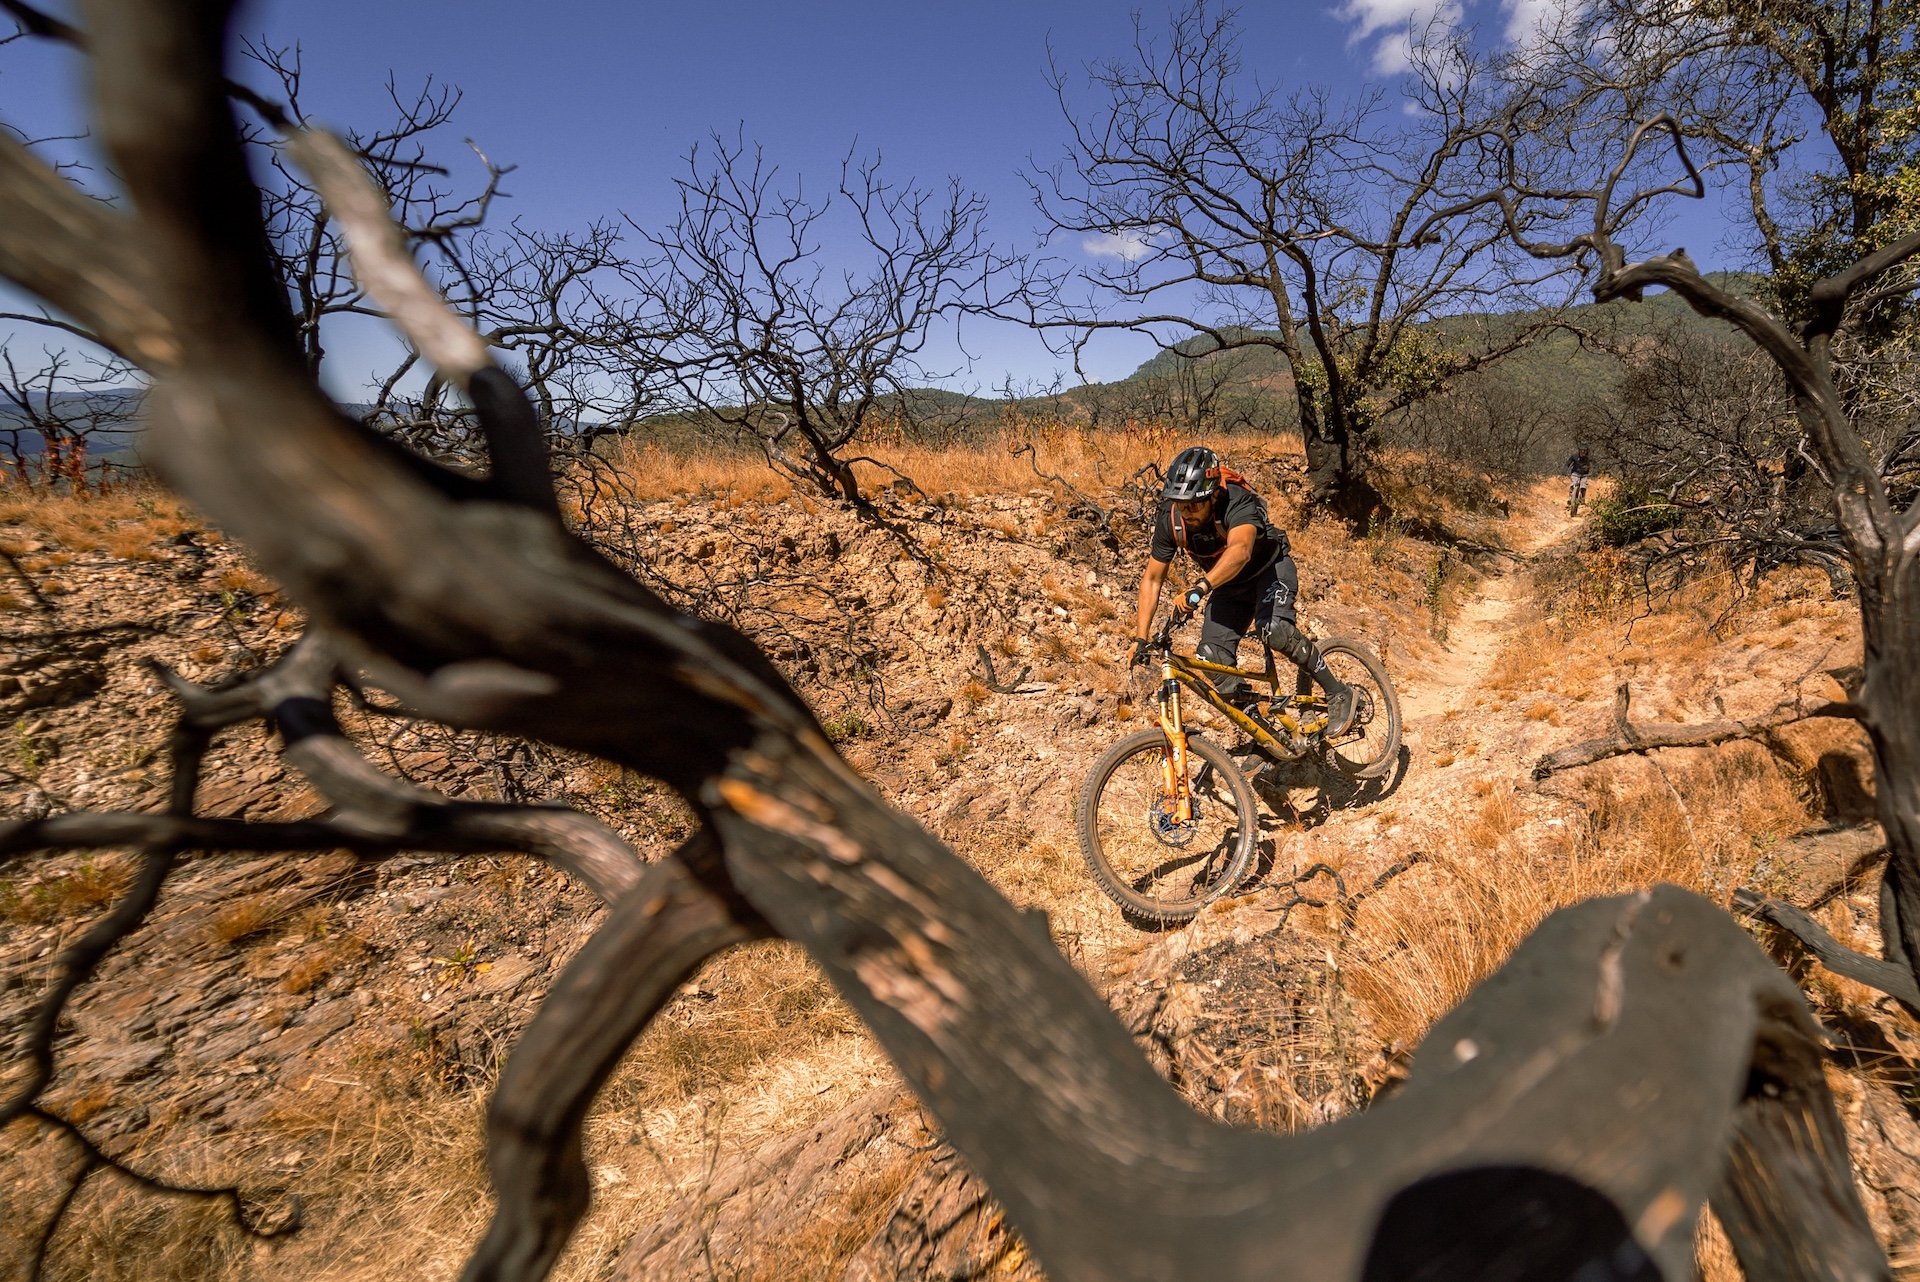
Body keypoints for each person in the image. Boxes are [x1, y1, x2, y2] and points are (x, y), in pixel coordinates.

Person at [1129, 445, 1355, 735]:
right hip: (1228, 586)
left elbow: (1240, 551)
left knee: (1274, 629)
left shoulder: (1237, 500)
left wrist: (1200, 587)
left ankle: (1338, 692)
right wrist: (1140, 637)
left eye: (1194, 504)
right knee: (1211, 658)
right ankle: (1265, 735)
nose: (1186, 512)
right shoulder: (1171, 519)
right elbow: (1152, 579)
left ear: (1212, 495)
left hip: (1270, 570)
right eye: (1180, 504)